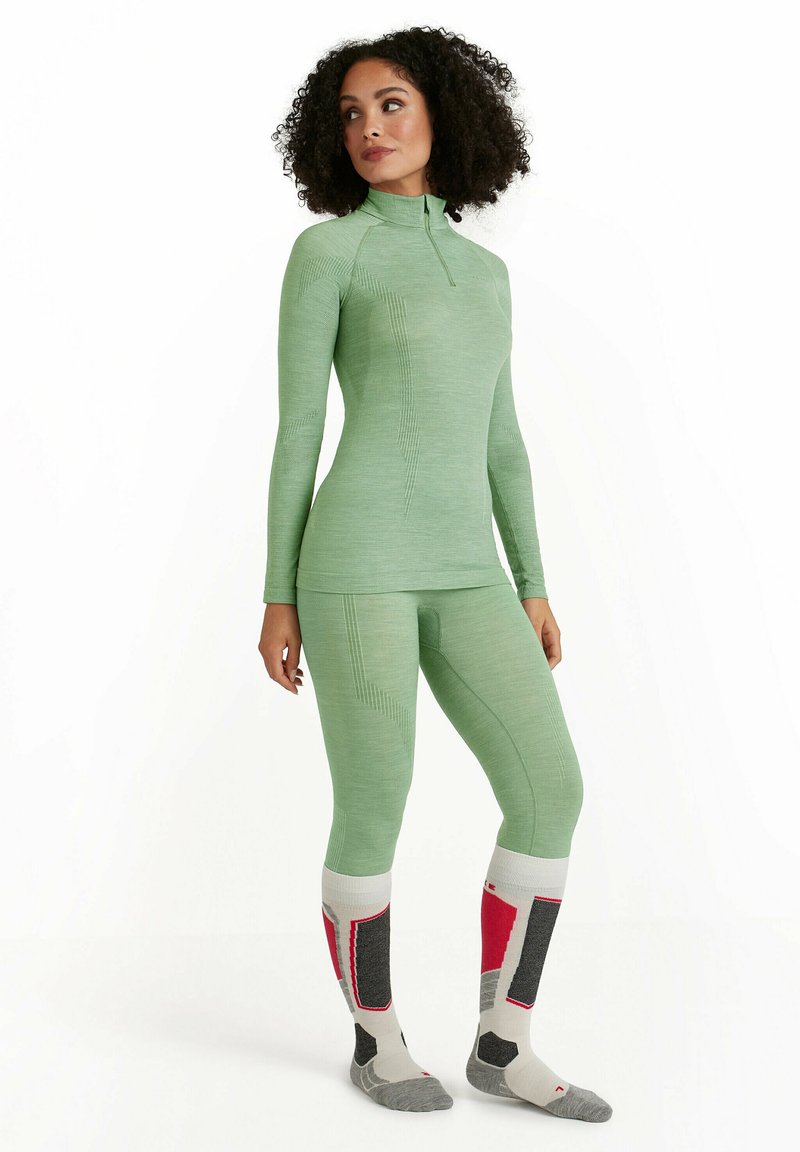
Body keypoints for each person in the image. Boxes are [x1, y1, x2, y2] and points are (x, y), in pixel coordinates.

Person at [257, 26, 612, 1121]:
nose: (368, 128)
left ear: (442, 115)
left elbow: (501, 438)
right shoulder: (331, 253)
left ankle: (503, 1045)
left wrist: (531, 581)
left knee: (549, 787)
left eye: (391, 104)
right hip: (354, 563)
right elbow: (300, 430)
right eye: (350, 114)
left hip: (469, 571)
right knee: (375, 804)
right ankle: (376, 1040)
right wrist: (277, 593)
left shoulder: (486, 274)